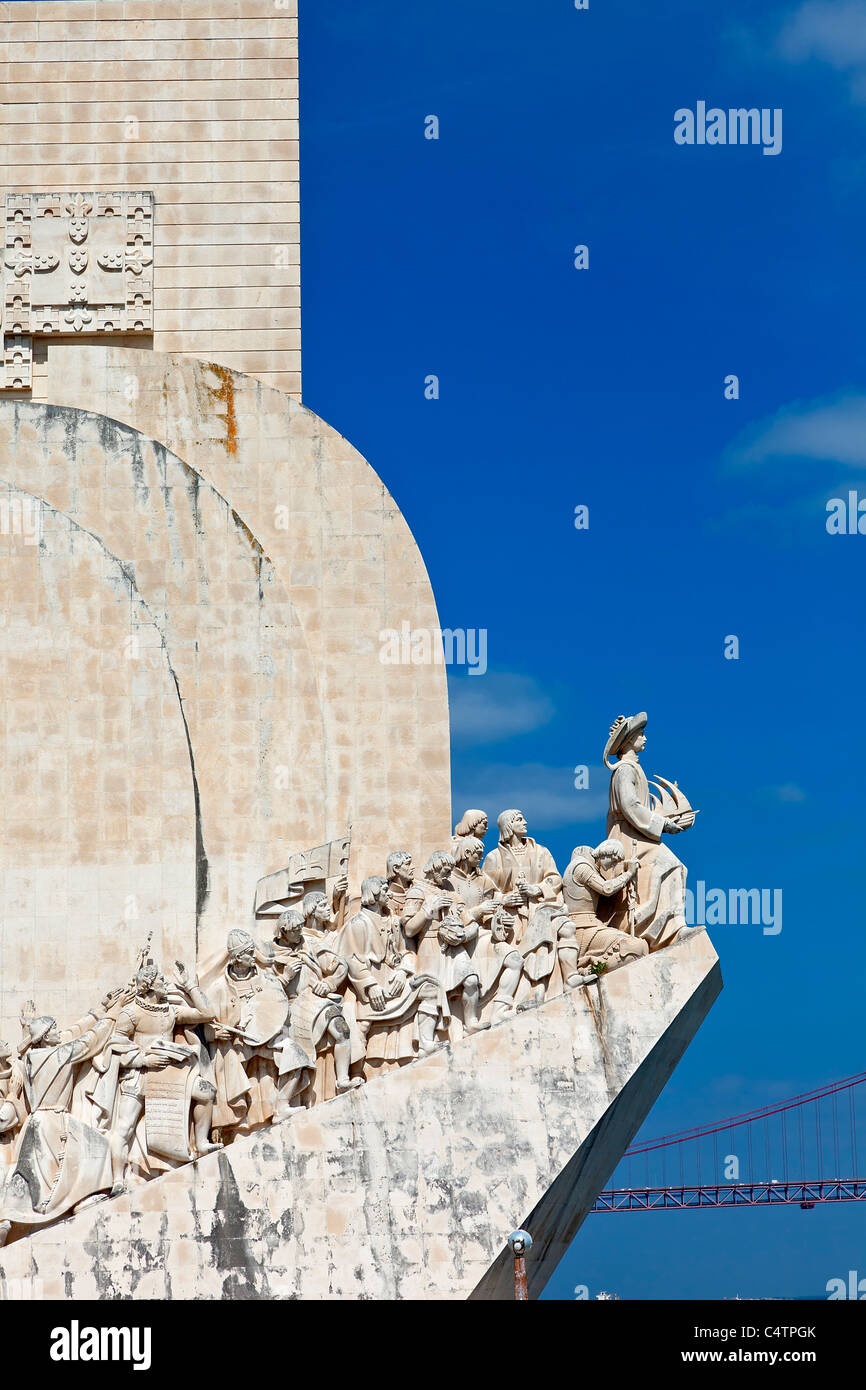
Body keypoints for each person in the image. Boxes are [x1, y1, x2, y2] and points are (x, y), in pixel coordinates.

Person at [0, 993, 121, 1242]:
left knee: (29, 1173)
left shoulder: (33, 1058)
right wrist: (113, 1014)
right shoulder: (59, 1055)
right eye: (54, 1029)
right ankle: (78, 1199)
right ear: (45, 1036)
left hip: (38, 1121)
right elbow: (90, 1041)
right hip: (53, 1120)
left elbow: (75, 1032)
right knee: (94, 1147)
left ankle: (9, 1217)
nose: (59, 1032)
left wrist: (100, 1008)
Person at [108, 961, 220, 1193]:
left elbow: (207, 1013)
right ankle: (117, 1179)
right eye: (160, 980)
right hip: (139, 1074)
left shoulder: (170, 1010)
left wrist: (189, 985)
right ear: (149, 987)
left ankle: (201, 1142)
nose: (165, 983)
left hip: (168, 1074)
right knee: (123, 1128)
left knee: (206, 1092)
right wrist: (142, 1059)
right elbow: (116, 1044)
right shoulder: (131, 1013)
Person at [603, 712, 694, 949]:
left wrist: (665, 819)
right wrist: (662, 824)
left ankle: (672, 927)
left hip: (638, 834)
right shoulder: (625, 769)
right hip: (627, 839)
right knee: (670, 864)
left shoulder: (633, 768)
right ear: (629, 740)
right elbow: (629, 805)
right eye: (640, 734)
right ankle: (663, 928)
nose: (645, 738)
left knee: (675, 866)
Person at [208, 929, 310, 1134]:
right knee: (226, 1063)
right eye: (248, 953)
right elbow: (207, 1023)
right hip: (237, 1046)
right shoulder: (219, 988)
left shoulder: (266, 979)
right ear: (237, 958)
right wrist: (215, 1034)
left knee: (295, 1053)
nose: (254, 956)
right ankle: (235, 1124)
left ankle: (282, 1105)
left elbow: (276, 1004)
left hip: (265, 1039)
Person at [337, 876, 438, 1074]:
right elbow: (350, 959)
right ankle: (354, 1075)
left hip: (394, 983)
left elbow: (407, 951)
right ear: (373, 894)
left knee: (430, 989)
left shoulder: (393, 921)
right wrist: (370, 986)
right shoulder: (357, 923)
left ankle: (426, 1044)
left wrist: (402, 972)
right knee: (362, 1026)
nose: (389, 893)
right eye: (384, 890)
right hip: (370, 989)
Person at [271, 902, 363, 1099]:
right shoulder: (270, 954)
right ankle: (288, 1099)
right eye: (295, 930)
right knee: (295, 1055)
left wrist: (329, 983)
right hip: (291, 1009)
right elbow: (264, 992)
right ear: (283, 931)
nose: (299, 933)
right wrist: (285, 977)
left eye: (300, 928)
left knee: (342, 1030)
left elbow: (340, 965)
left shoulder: (310, 945)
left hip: (317, 1001)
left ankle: (343, 1080)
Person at [403, 851, 489, 1048]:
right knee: (431, 991)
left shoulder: (451, 894)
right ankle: (426, 1042)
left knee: (471, 979)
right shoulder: (417, 891)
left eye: (450, 871)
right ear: (433, 867)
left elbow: (471, 922)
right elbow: (408, 929)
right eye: (444, 870)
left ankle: (470, 1023)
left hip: (454, 946)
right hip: (430, 944)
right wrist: (428, 909)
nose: (447, 874)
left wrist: (463, 936)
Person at [558, 841, 648, 985]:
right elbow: (606, 889)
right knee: (635, 947)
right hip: (582, 928)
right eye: (614, 860)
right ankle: (588, 971)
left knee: (640, 947)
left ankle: (589, 970)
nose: (613, 865)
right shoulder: (581, 866)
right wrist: (629, 873)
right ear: (607, 853)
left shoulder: (591, 868)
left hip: (591, 926)